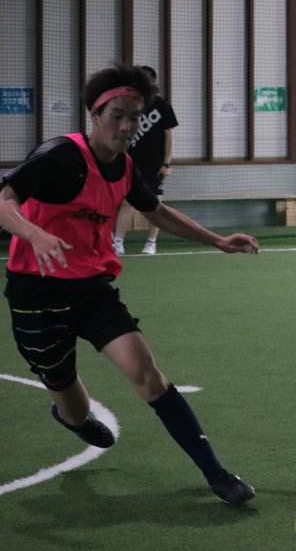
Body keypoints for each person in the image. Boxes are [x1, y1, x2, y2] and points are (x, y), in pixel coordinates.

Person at [0, 64, 258, 506]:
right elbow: (4, 198)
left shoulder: (124, 167)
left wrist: (217, 240)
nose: (126, 126)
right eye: (117, 115)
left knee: (147, 374)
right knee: (73, 403)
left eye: (134, 117)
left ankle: (216, 473)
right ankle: (73, 418)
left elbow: (157, 212)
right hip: (35, 293)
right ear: (95, 115)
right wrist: (34, 234)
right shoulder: (60, 155)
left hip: (92, 289)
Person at [112, 65, 178, 255]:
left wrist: (166, 163)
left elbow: (168, 135)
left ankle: (151, 243)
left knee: (155, 204)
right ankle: (118, 242)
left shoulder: (162, 105)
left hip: (155, 164)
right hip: (131, 162)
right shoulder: (130, 105)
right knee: (127, 202)